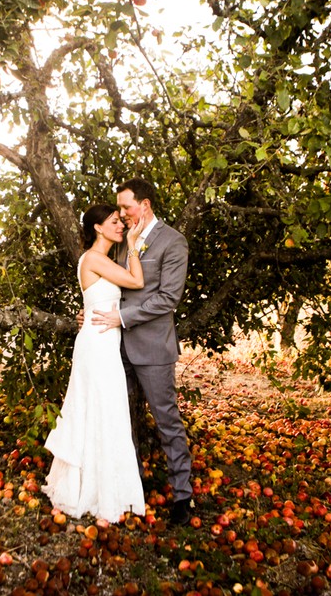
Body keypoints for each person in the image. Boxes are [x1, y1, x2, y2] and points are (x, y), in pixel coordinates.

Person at [91, 178, 194, 525]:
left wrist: (121, 317)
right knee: (122, 421)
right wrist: (94, 308)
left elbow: (168, 299)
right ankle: (129, 488)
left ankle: (182, 495)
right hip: (115, 348)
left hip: (152, 347)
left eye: (126, 207)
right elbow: (112, 282)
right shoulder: (123, 241)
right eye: (119, 209)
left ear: (145, 204)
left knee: (167, 422)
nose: (121, 214)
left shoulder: (173, 242)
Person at [42, 204, 147, 523]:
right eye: (115, 222)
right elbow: (136, 281)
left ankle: (100, 487)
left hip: (100, 342)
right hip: (97, 347)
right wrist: (132, 243)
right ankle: (91, 491)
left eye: (121, 222)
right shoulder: (95, 258)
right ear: (98, 228)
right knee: (100, 410)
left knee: (103, 411)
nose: (120, 225)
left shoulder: (99, 260)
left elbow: (101, 300)